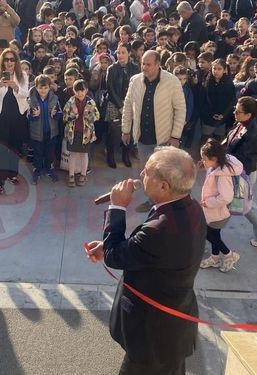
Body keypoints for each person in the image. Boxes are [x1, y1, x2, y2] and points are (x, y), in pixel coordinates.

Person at [85, 146, 206, 375]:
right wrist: (118, 247)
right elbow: (158, 253)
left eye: (147, 171)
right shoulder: (193, 209)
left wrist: (117, 206)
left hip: (151, 336)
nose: (141, 174)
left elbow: (114, 257)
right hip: (175, 329)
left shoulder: (158, 230)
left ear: (164, 186)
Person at [121, 50, 186, 211]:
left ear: (158, 65)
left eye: (148, 64)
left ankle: (169, 205)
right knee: (148, 174)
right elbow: (128, 106)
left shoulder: (172, 82)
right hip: (143, 138)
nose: (144, 67)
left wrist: (175, 136)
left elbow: (180, 109)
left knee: (166, 175)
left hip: (164, 140)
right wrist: (126, 130)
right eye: (143, 63)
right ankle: (152, 202)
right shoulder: (135, 81)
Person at [222, 96, 257, 248]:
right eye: (235, 110)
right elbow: (229, 141)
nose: (234, 113)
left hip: (242, 175)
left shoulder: (252, 133)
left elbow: (244, 161)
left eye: (238, 112)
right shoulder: (241, 124)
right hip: (236, 173)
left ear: (248, 115)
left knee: (248, 208)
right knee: (244, 206)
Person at [0, 48, 29, 195]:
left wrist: (16, 87)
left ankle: (12, 174)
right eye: (6, 59)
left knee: (15, 147)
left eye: (12, 59)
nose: (9, 62)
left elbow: (26, 94)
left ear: (16, 61)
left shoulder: (22, 75)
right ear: (2, 61)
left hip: (18, 116)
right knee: (2, 149)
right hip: (1, 117)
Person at [198, 139, 243, 272]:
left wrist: (208, 203)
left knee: (208, 233)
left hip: (218, 212)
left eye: (205, 159)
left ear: (214, 158)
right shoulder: (220, 165)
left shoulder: (222, 176)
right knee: (214, 234)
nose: (203, 162)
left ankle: (230, 255)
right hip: (216, 212)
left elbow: (226, 197)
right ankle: (215, 258)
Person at [105, 43, 139, 168]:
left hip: (130, 104)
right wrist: (120, 105)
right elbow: (110, 88)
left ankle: (126, 154)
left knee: (128, 130)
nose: (120, 55)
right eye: (118, 52)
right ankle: (110, 154)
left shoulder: (135, 68)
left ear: (129, 53)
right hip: (114, 104)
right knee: (114, 132)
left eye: (123, 52)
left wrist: (128, 104)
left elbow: (138, 86)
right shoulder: (112, 69)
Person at [63, 79, 99, 187]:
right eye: (77, 90)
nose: (80, 93)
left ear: (86, 90)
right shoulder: (70, 102)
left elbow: (97, 116)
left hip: (86, 133)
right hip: (73, 133)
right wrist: (72, 116)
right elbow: (64, 116)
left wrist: (89, 116)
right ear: (73, 91)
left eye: (82, 90)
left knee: (84, 155)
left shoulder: (91, 102)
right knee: (72, 155)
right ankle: (71, 175)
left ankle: (83, 174)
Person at [27, 74, 61, 184]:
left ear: (49, 87)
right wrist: (34, 115)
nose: (43, 90)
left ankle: (48, 168)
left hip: (51, 132)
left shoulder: (55, 98)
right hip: (37, 133)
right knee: (38, 152)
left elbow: (60, 114)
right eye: (40, 87)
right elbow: (28, 117)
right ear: (36, 87)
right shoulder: (31, 99)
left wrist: (55, 115)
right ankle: (37, 169)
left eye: (45, 87)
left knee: (49, 152)